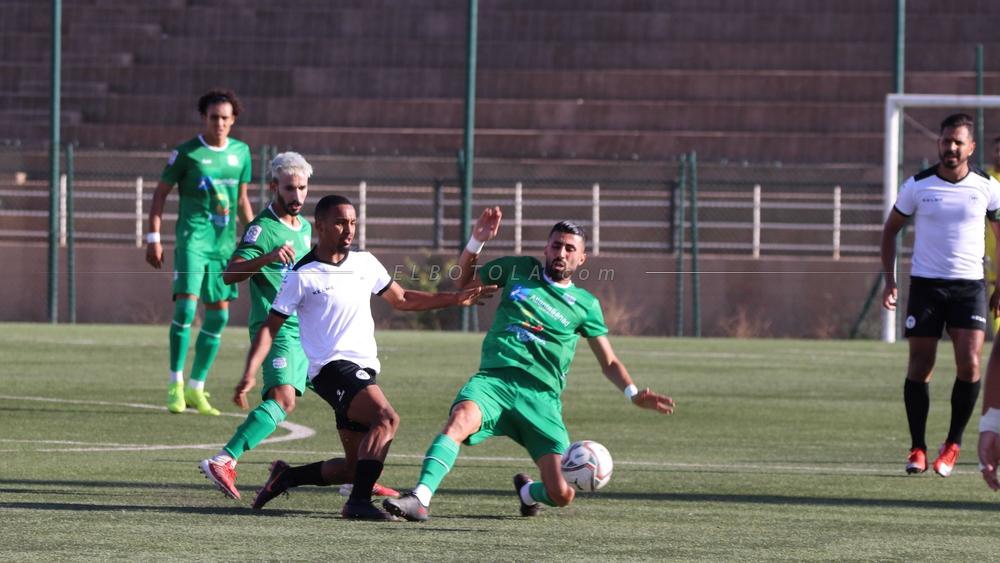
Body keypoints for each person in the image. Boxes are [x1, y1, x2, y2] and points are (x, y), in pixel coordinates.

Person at [383, 208, 675, 522]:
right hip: (495, 382)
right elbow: (463, 281)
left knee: (562, 494)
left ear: (582, 259)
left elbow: (609, 361)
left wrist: (632, 393)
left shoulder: (586, 305)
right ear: (546, 249)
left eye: (569, 248)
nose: (560, 253)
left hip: (542, 400)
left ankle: (527, 492)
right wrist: (476, 241)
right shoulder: (519, 269)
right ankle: (420, 498)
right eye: (555, 246)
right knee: (459, 420)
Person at [238, 194, 497, 519]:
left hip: (362, 371)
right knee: (387, 419)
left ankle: (286, 476)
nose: (349, 230)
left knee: (352, 467)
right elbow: (270, 326)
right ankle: (357, 503)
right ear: (319, 225)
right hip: (330, 370)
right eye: (340, 222)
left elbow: (401, 299)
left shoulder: (365, 263)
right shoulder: (301, 274)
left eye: (353, 223)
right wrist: (249, 372)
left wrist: (455, 299)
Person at [197, 152, 396, 502]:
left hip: (313, 334)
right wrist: (269, 258)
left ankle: (359, 472)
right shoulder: (263, 228)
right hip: (281, 329)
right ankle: (224, 459)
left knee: (350, 401)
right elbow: (230, 273)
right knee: (284, 398)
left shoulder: (307, 227)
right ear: (274, 187)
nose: (297, 196)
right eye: (289, 188)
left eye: (303, 188)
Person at [881, 113, 1000, 477]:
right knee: (920, 364)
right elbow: (890, 231)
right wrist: (890, 281)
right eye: (946, 141)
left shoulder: (987, 187)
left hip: (969, 287)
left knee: (971, 363)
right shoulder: (918, 186)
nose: (950, 148)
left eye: (957, 142)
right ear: (939, 143)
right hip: (927, 287)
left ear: (970, 147)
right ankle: (917, 447)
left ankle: (952, 444)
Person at [146, 89, 255, 416]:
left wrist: (254, 238)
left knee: (219, 315)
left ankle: (196, 388)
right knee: (184, 312)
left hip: (224, 248)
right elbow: (160, 195)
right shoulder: (187, 154)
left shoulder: (241, 153)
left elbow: (241, 201)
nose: (219, 123)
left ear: (233, 120)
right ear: (203, 118)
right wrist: (153, 236)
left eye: (225, 118)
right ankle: (175, 385)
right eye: (213, 117)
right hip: (193, 243)